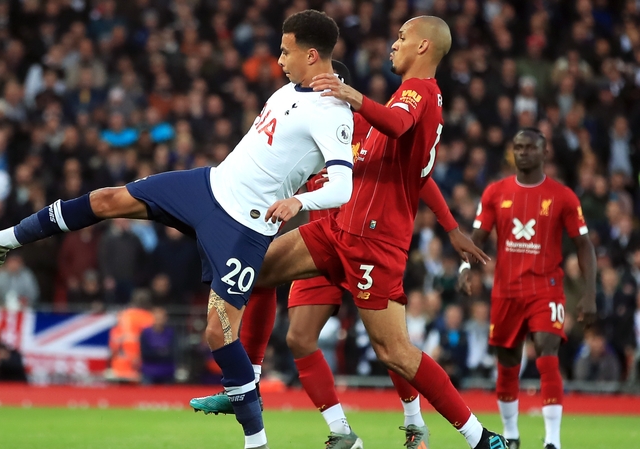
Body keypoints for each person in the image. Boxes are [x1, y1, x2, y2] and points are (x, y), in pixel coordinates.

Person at [0, 10, 354, 449]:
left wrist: (298, 201)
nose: (279, 57)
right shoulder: (290, 89)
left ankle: (256, 441)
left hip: (244, 225)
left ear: (311, 54)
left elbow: (341, 186)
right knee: (104, 199)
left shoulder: (332, 112)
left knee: (218, 333)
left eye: (286, 50)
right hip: (207, 186)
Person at [196, 15, 505, 449]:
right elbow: (414, 168)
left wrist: (350, 94)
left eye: (401, 37)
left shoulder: (418, 93)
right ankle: (250, 384)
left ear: (423, 47)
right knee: (256, 270)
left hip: (372, 242)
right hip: (337, 229)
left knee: (394, 351)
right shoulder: (401, 98)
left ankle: (478, 437)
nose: (392, 44)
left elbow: (399, 132)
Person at [459, 128, 598, 449]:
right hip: (506, 291)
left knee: (547, 353)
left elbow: (584, 245)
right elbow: (475, 239)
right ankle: (511, 435)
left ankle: (552, 441)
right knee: (507, 363)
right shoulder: (495, 192)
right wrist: (466, 268)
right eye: (518, 147)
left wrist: (590, 293)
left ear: (544, 152)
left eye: (530, 147)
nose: (523, 152)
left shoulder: (563, 196)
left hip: (546, 288)